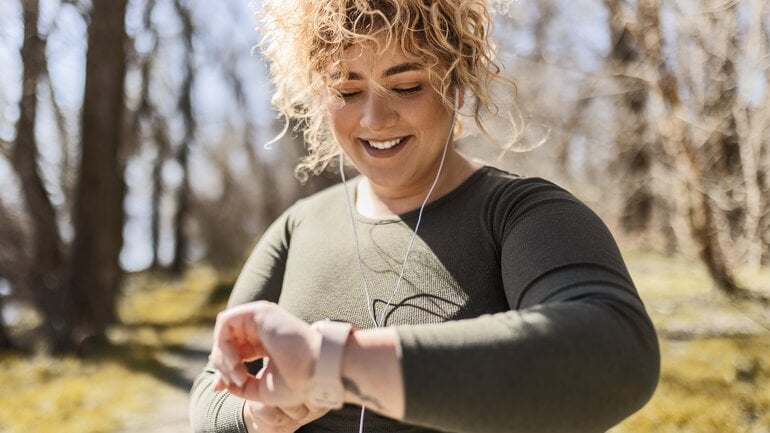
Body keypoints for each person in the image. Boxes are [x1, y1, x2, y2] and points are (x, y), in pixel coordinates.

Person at [189, 1, 660, 432]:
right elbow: (212, 389)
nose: (374, 119)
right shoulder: (298, 227)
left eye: (406, 85)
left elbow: (615, 353)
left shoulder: (523, 214)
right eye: (347, 90)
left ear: (457, 79)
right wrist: (256, 415)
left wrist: (332, 364)